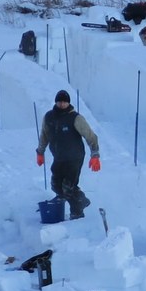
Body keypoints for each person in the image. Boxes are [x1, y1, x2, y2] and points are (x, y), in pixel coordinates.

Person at [35, 90, 100, 220]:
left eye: (65, 102)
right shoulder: (49, 117)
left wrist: (95, 155)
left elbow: (90, 136)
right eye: (60, 101)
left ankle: (77, 212)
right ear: (56, 102)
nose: (62, 104)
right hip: (59, 157)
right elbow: (44, 135)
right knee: (56, 185)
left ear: (68, 103)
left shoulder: (75, 118)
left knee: (68, 187)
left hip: (75, 157)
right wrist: (40, 152)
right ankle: (81, 199)